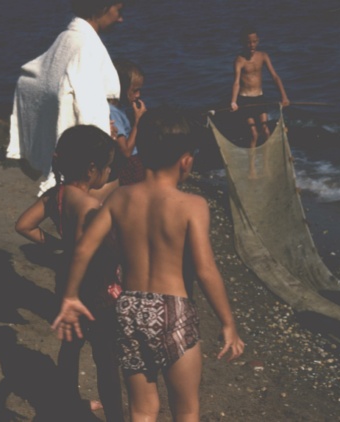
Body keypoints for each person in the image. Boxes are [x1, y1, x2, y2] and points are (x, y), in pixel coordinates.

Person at [52, 106, 245, 421]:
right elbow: (205, 270)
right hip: (173, 311)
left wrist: (71, 295)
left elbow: (84, 248)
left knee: (142, 410)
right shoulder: (193, 206)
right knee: (186, 410)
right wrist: (228, 323)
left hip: (129, 310)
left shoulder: (120, 198)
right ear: (186, 161)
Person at [15, 125, 124, 421]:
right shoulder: (90, 206)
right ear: (91, 169)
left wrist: (57, 245)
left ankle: (68, 405)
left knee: (71, 346)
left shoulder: (57, 195)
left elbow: (23, 225)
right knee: (106, 359)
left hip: (66, 283)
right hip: (96, 290)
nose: (109, 171)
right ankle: (116, 416)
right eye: (107, 166)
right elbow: (92, 251)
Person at [7, 0, 125, 197]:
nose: (120, 19)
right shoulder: (84, 45)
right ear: (103, 8)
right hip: (86, 159)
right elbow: (88, 103)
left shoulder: (67, 39)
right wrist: (102, 137)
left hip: (69, 147)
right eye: (118, 11)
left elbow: (31, 81)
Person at [230, 25, 290, 178]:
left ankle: (266, 166)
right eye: (248, 42)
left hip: (260, 98)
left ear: (258, 41)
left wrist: (284, 96)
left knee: (266, 132)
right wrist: (233, 102)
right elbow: (236, 82)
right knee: (254, 135)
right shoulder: (239, 60)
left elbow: (275, 77)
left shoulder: (263, 56)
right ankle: (252, 169)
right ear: (242, 42)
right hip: (245, 100)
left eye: (254, 41)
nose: (252, 45)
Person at [108, 58, 148, 186]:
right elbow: (125, 151)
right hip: (130, 164)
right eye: (134, 91)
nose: (138, 95)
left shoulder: (118, 109)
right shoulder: (113, 112)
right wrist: (138, 121)